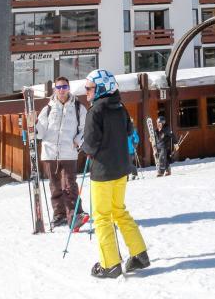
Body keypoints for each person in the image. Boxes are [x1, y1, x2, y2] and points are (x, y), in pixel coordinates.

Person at [81, 69, 149, 279]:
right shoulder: (120, 107)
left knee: (101, 217)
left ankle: (110, 264)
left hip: (103, 171)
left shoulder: (96, 111)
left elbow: (91, 143)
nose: (86, 92)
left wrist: (86, 148)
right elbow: (129, 130)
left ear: (101, 88)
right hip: (121, 169)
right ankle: (139, 254)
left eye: (89, 88)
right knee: (119, 211)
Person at [35, 76, 88, 229]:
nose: (62, 90)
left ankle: (75, 215)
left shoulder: (78, 108)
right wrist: (34, 124)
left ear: (69, 88)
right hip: (50, 153)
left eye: (64, 87)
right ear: (54, 90)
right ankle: (59, 215)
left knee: (69, 186)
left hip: (69, 153)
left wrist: (78, 141)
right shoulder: (48, 109)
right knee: (55, 186)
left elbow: (84, 129)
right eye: (59, 87)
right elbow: (40, 133)